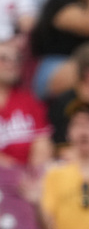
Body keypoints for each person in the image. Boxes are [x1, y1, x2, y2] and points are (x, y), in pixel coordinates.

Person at [0, 38, 52, 174]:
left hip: (27, 182)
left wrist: (33, 175)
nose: (12, 64)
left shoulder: (30, 101)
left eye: (16, 59)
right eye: (4, 59)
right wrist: (14, 174)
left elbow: (42, 144)